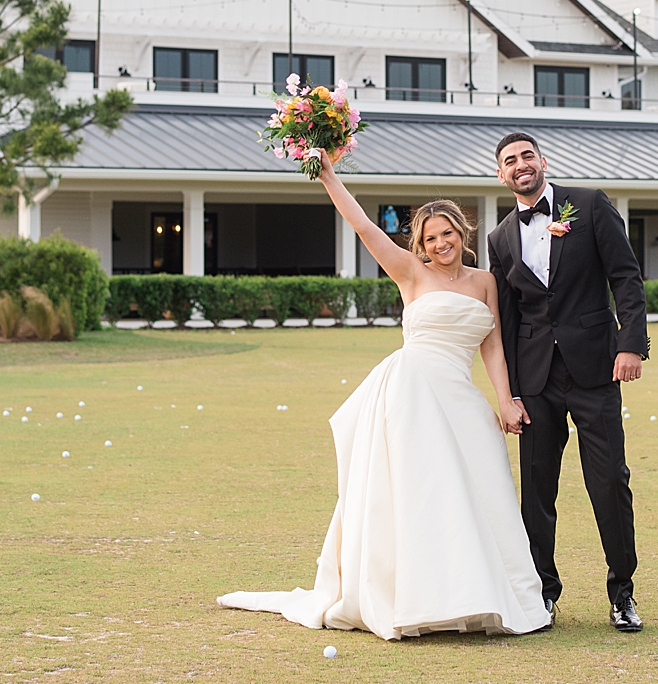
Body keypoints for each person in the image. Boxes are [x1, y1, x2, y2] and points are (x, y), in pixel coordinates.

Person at [217, 150, 551, 640]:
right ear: (420, 244)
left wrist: (504, 399)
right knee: (423, 496)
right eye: (431, 237)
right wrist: (328, 175)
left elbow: (494, 345)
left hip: (462, 398)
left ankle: (492, 597)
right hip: (413, 391)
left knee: (486, 489)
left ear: (463, 233)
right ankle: (417, 599)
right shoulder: (410, 273)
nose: (441, 244)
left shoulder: (485, 282)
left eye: (448, 234)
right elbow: (362, 226)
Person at [487, 131, 648, 632]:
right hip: (535, 378)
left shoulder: (590, 205)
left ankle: (622, 593)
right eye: (510, 161)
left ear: (543, 161)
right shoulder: (498, 239)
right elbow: (507, 318)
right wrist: (510, 392)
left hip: (595, 367)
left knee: (609, 482)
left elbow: (626, 277)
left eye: (527, 156)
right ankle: (542, 594)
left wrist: (630, 343)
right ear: (501, 174)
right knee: (536, 490)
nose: (520, 165)